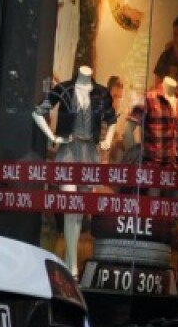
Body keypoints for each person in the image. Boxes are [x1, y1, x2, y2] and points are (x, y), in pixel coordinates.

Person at [32, 65, 117, 277]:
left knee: (79, 211)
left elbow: (112, 121)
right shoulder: (64, 89)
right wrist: (52, 137)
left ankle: (70, 262)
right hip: (68, 151)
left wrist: (107, 139)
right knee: (71, 206)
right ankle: (73, 267)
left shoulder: (101, 93)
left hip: (90, 153)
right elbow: (37, 112)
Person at [154, 16, 178, 95]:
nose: (177, 39)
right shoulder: (166, 56)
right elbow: (157, 84)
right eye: (174, 34)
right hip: (167, 103)